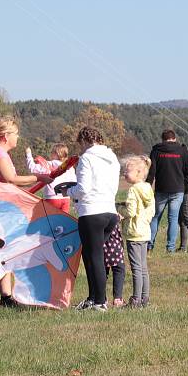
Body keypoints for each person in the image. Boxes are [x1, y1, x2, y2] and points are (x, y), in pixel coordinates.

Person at [0, 116, 52, 308]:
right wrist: (39, 177)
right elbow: (11, 179)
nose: (18, 138)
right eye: (16, 134)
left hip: (1, 211)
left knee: (4, 255)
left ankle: (6, 297)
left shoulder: (1, 152)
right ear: (6, 135)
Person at [62, 126, 120, 312]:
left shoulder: (87, 158)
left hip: (91, 212)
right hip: (109, 211)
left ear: (85, 141)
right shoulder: (112, 158)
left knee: (94, 257)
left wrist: (68, 191)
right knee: (89, 255)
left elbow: (84, 189)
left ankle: (100, 301)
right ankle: (93, 297)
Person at [117, 155, 155, 308]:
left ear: (139, 172)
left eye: (128, 171)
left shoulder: (133, 190)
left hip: (133, 232)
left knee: (136, 268)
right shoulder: (147, 188)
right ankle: (145, 298)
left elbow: (131, 211)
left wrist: (119, 210)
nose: (124, 173)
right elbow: (151, 210)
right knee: (143, 267)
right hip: (145, 232)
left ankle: (135, 300)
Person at [146, 129, 188, 253]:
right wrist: (184, 182)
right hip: (178, 190)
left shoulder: (156, 151)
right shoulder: (183, 150)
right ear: (174, 138)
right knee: (173, 219)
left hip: (161, 189)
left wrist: (147, 186)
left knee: (155, 218)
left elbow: (152, 172)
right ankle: (170, 248)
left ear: (162, 139)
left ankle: (149, 246)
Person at [25, 143, 76, 213]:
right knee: (62, 222)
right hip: (66, 199)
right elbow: (73, 183)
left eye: (52, 152)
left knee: (46, 221)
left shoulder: (51, 164)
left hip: (52, 198)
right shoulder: (70, 168)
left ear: (56, 153)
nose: (50, 154)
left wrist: (28, 154)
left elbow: (32, 168)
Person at [103, 222, 126, 308]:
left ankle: (102, 298)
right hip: (114, 243)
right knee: (119, 269)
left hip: (101, 243)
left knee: (102, 271)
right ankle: (117, 298)